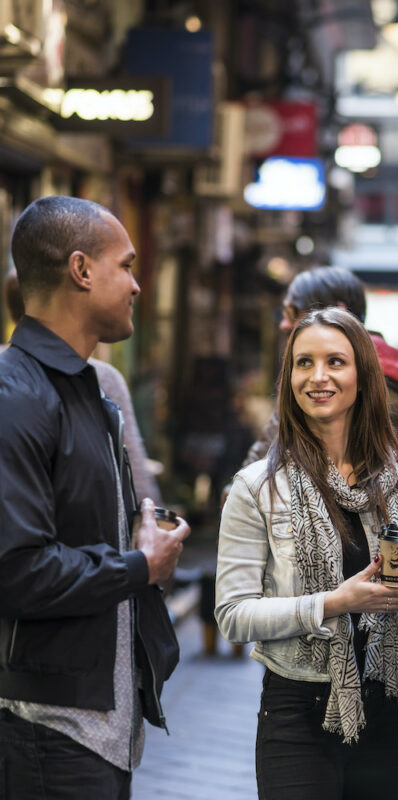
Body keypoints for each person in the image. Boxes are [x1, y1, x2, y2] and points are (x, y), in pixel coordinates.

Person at [0, 196, 190, 798]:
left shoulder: (90, 391)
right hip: (45, 726)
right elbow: (18, 571)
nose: (137, 284)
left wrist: (145, 541)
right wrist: (140, 565)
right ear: (81, 271)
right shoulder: (16, 396)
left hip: (97, 724)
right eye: (127, 266)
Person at [215, 307, 398, 800]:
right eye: (303, 363)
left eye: (335, 361)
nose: (318, 376)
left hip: (389, 704)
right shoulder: (257, 488)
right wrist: (336, 603)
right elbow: (232, 615)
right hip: (298, 711)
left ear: (362, 375)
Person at [240, 266, 398, 489]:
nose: (284, 324)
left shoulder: (342, 384)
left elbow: (274, 443)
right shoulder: (389, 377)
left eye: (293, 312)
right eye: (305, 363)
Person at [2, 270, 162, 504]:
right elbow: (139, 485)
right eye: (124, 266)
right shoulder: (102, 377)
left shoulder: (9, 370)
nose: (134, 287)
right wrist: (150, 530)